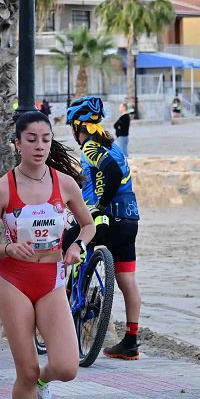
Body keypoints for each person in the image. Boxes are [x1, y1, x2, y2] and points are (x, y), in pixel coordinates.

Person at [0, 110, 95, 399]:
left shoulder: (64, 184)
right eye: (31, 139)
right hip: (14, 281)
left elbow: (87, 225)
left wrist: (77, 247)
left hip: (52, 281)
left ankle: (45, 382)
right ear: (17, 143)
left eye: (45, 139)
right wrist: (8, 248)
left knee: (67, 366)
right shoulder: (3, 188)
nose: (39, 146)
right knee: (25, 370)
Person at [66, 96, 143, 360]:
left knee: (67, 244)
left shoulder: (90, 147)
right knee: (127, 280)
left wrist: (100, 203)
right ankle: (131, 341)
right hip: (130, 220)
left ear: (78, 126)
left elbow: (108, 172)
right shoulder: (116, 148)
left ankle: (68, 303)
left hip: (105, 219)